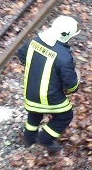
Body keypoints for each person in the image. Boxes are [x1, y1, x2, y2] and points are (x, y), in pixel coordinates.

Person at [17, 15, 81, 154]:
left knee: (34, 113)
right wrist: (76, 82)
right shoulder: (64, 56)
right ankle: (44, 138)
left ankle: (28, 138)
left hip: (29, 92)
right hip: (48, 97)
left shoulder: (34, 41)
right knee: (65, 116)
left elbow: (22, 54)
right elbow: (71, 85)